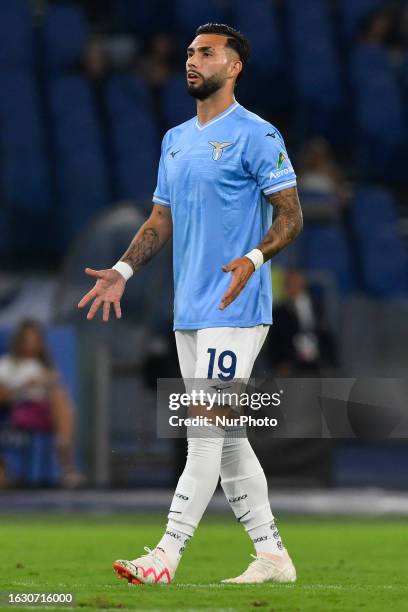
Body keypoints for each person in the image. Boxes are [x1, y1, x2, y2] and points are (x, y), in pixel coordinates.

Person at [78, 23, 303, 584]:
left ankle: (166, 554)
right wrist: (124, 270)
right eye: (189, 53)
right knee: (226, 440)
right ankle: (272, 555)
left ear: (235, 67)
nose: (193, 61)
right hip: (191, 310)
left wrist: (253, 258)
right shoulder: (175, 139)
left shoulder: (257, 134)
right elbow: (160, 219)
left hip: (237, 304)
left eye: (207, 53)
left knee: (203, 430)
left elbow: (291, 215)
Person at [0, 320, 84, 488]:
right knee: (59, 399)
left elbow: (59, 391)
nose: (31, 345)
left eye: (35, 340)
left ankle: (64, 448)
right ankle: (66, 460)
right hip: (20, 410)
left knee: (60, 396)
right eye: (27, 340)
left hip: (45, 411)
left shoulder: (46, 367)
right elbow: (3, 396)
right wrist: (26, 386)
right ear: (20, 341)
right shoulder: (7, 364)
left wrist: (48, 383)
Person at [268, 269, 337, 375]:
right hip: (291, 365)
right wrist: (279, 363)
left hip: (317, 363)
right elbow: (274, 342)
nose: (293, 285)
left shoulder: (317, 307)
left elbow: (326, 334)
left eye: (296, 282)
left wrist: (331, 362)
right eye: (289, 283)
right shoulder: (278, 312)